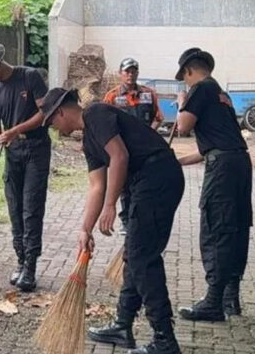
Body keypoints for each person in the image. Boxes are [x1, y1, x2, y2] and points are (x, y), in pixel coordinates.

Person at [42, 88, 183, 354]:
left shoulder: (96, 113)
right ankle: (122, 325)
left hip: (157, 177)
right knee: (134, 255)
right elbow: (97, 185)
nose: (53, 127)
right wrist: (85, 229)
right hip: (143, 184)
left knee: (143, 258)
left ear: (61, 111)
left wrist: (110, 205)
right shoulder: (88, 142)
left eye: (52, 121)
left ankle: (165, 340)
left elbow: (120, 156)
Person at [174, 48, 252, 321]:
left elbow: (183, 126)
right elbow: (217, 144)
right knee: (236, 227)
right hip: (239, 163)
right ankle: (231, 298)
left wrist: (182, 101)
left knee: (216, 226)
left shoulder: (199, 88)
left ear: (188, 71)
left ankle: (213, 303)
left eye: (184, 79)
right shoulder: (222, 95)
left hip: (222, 169)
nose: (185, 84)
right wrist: (182, 162)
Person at [0, 42, 50, 292]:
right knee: (15, 208)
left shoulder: (30, 77)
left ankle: (31, 266)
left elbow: (46, 112)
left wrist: (16, 130)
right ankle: (20, 260)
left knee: (31, 208)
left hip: (36, 149)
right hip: (12, 154)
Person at [102, 57, 164, 232]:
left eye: (133, 71)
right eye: (127, 71)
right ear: (121, 74)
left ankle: (144, 218)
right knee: (124, 184)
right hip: (123, 149)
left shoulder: (149, 94)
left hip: (146, 149)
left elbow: (158, 118)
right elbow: (104, 121)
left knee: (146, 183)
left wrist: (149, 134)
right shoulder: (112, 96)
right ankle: (127, 221)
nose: (130, 75)